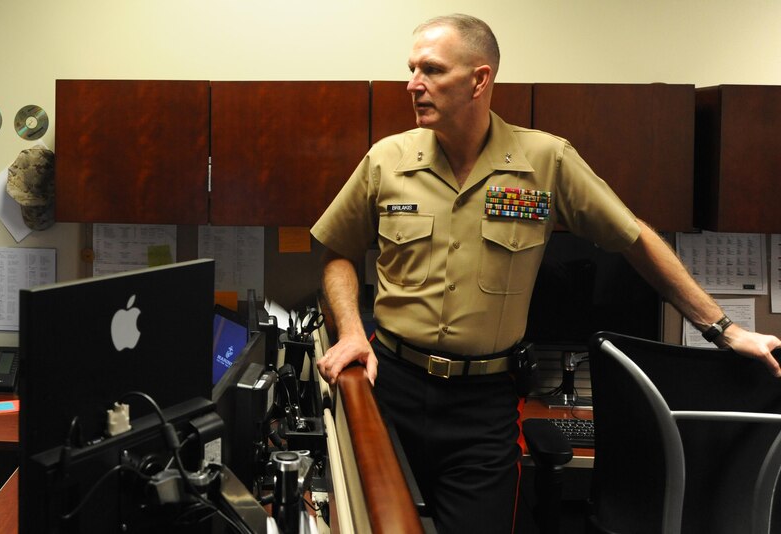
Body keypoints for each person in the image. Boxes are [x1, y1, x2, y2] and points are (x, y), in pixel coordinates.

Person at [312, 14, 781, 534]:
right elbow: (334, 247)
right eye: (411, 69)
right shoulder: (388, 160)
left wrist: (724, 329)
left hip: (482, 408)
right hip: (389, 386)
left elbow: (636, 239)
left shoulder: (545, 161)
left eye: (431, 70)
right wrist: (353, 331)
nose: (412, 84)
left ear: (479, 79)